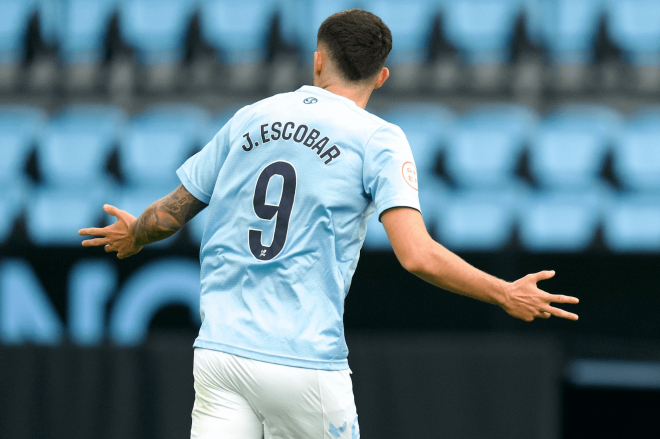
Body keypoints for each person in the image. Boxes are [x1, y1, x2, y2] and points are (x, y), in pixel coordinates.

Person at [79, 9, 579, 439]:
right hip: (303, 361)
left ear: (317, 60)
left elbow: (175, 209)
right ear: (382, 77)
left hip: (221, 355)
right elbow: (417, 254)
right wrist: (503, 293)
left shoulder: (251, 117)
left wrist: (136, 232)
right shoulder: (377, 139)